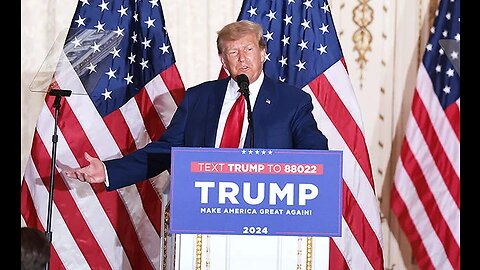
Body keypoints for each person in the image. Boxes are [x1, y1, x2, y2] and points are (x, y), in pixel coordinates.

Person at [65, 20, 328, 190]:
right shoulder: (198, 98)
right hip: (205, 214)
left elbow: (315, 155)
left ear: (263, 53)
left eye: (248, 50)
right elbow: (166, 151)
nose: (242, 58)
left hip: (268, 217)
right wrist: (109, 170)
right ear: (223, 61)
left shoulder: (293, 102)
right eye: (233, 52)